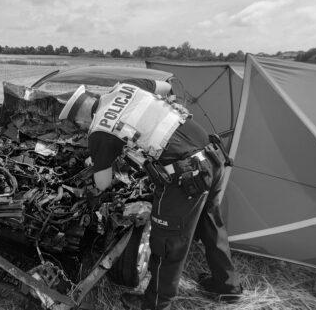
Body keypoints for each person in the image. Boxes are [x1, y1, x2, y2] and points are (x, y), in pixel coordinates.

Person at [58, 80, 242, 310]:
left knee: (167, 243)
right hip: (212, 155)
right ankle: (227, 287)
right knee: (211, 223)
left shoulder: (99, 130)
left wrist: (100, 160)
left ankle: (155, 304)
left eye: (78, 125)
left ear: (80, 118)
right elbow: (165, 87)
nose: (81, 128)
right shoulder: (125, 87)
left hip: (186, 175)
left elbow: (102, 183)